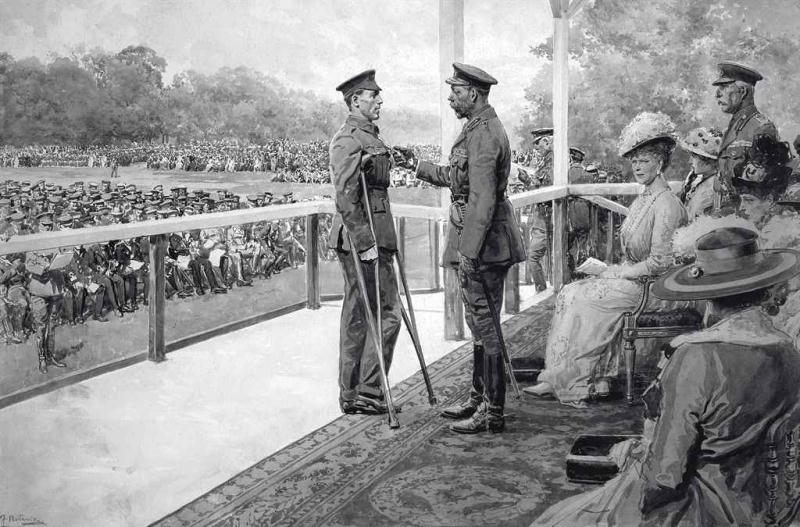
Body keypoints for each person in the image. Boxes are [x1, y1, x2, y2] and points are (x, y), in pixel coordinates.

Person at [532, 226, 800, 526]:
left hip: (710, 509)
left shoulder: (697, 358)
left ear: (707, 297)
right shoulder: (788, 351)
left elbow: (664, 476)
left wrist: (633, 494)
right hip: (774, 506)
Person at [525, 112, 689, 406]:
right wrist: (614, 270)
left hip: (654, 288)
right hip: (635, 278)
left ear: (660, 163)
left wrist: (619, 274)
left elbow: (661, 262)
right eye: (635, 161)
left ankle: (573, 382)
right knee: (571, 291)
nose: (637, 167)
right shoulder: (643, 199)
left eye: (645, 161)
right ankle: (584, 379)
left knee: (587, 299)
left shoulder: (667, 204)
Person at [398, 63, 526, 433]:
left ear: (474, 93)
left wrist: (469, 253)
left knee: (486, 326)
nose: (451, 96)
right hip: (479, 240)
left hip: (484, 245)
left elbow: (483, 200)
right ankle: (478, 397)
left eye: (456, 90)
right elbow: (458, 179)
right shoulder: (475, 129)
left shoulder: (485, 134)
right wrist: (417, 165)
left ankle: (493, 411)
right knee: (479, 322)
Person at [328, 69, 402, 416]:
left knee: (373, 314)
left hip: (378, 235)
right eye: (374, 96)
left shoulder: (370, 136)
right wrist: (364, 243)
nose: (380, 101)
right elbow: (345, 196)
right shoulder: (347, 139)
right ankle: (363, 391)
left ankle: (361, 391)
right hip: (362, 240)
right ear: (356, 100)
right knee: (374, 315)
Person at [713, 61, 781, 214]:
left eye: (723, 87)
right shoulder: (735, 126)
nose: (717, 94)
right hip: (725, 214)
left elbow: (762, 189)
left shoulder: (761, 128)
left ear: (742, 92)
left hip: (745, 216)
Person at [676, 126, 722, 219]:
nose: (689, 161)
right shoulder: (696, 179)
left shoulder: (714, 187)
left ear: (707, 160)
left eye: (693, 157)